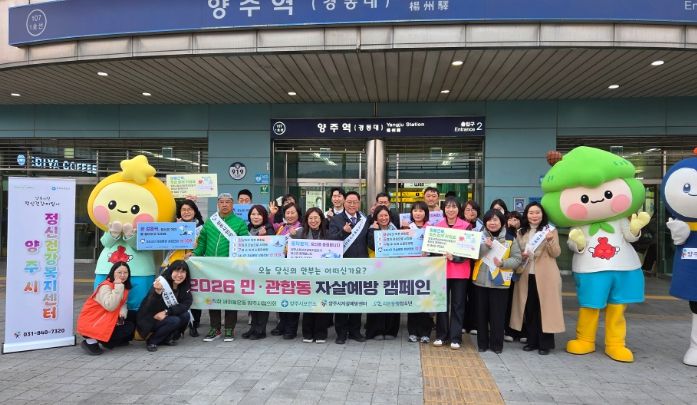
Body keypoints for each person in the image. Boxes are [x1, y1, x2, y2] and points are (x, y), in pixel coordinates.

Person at [189, 192, 249, 342]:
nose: (224, 204)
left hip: (230, 268)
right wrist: (194, 253)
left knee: (230, 298)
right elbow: (202, 242)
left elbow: (245, 245)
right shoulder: (210, 222)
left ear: (232, 204)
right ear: (218, 204)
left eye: (227, 202)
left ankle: (229, 328)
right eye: (221, 202)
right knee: (213, 297)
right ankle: (214, 328)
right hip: (211, 268)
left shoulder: (239, 223)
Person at [510, 202, 565, 355]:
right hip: (526, 274)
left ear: (542, 214)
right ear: (526, 215)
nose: (534, 216)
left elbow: (556, 253)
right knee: (529, 308)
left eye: (537, 212)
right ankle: (532, 341)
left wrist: (550, 240)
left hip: (547, 275)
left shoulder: (550, 231)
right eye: (531, 213)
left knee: (545, 309)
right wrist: (522, 255)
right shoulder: (521, 232)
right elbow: (517, 253)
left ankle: (545, 344)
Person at [472, 210, 522, 353]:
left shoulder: (510, 238)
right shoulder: (478, 236)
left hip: (500, 282)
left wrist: (503, 263)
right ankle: (482, 344)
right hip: (480, 282)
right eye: (489, 220)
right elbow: (472, 256)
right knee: (481, 315)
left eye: (495, 220)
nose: (492, 223)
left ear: (502, 222)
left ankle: (496, 345)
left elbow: (517, 259)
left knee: (498, 316)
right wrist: (485, 247)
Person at [328, 191, 368, 344]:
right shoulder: (336, 219)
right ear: (344, 203)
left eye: (355, 202)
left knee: (357, 300)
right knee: (342, 300)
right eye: (349, 202)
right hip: (342, 266)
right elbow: (331, 240)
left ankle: (355, 331)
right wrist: (343, 233)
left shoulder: (364, 219)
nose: (352, 205)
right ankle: (341, 333)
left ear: (359, 203)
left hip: (360, 266)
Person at [160, 199, 204, 337]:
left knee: (192, 294)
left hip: (192, 264)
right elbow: (164, 244)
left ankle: (194, 324)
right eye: (183, 210)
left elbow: (203, 245)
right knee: (172, 294)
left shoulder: (202, 228)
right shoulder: (173, 226)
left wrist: (194, 251)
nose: (186, 212)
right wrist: (176, 230)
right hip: (172, 264)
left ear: (195, 211)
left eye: (189, 209)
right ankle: (174, 325)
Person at [433, 196, 472, 350]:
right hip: (441, 271)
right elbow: (433, 250)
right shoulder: (438, 226)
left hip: (460, 272)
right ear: (444, 209)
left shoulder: (466, 226)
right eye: (448, 206)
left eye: (454, 206)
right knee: (442, 304)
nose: (450, 209)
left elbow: (469, 251)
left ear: (458, 209)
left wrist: (454, 257)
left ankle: (455, 337)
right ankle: (441, 335)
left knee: (458, 305)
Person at [290, 207, 332, 343]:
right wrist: (291, 236)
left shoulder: (328, 234)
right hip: (305, 275)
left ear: (321, 219)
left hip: (323, 275)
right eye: (311, 218)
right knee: (308, 304)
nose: (313, 221)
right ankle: (307, 333)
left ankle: (321, 334)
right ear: (306, 220)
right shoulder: (299, 233)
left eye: (316, 218)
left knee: (321, 304)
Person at [77, 261, 134, 355]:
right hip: (94, 321)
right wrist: (118, 287)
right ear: (113, 273)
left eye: (125, 272)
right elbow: (110, 306)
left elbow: (123, 303)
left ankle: (106, 340)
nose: (123, 275)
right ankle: (92, 340)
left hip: (105, 319)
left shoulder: (123, 287)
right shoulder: (106, 286)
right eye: (119, 272)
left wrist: (122, 313)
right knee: (96, 351)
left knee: (130, 323)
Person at [136, 260, 193, 352]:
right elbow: (149, 305)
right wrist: (157, 293)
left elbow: (186, 304)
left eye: (183, 272)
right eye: (177, 271)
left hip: (166, 315)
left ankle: (168, 338)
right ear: (171, 271)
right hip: (151, 318)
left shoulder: (184, 285)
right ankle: (152, 341)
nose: (179, 275)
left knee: (185, 315)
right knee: (174, 320)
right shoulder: (161, 283)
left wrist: (167, 312)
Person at [366, 205, 401, 340]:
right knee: (377, 299)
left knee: (392, 298)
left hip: (393, 269)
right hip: (376, 270)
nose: (383, 218)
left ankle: (391, 330)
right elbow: (372, 246)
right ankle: (376, 331)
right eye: (380, 215)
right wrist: (374, 231)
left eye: (386, 215)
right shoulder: (370, 229)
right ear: (376, 217)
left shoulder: (396, 230)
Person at [241, 204, 276, 340]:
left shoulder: (268, 229)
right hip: (250, 270)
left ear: (264, 216)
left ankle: (261, 330)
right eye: (253, 214)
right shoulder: (247, 228)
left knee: (261, 300)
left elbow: (273, 250)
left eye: (259, 214)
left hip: (263, 271)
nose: (255, 217)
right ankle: (253, 328)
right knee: (253, 301)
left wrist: (263, 237)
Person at [402, 201, 434, 343]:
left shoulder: (431, 228)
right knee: (413, 301)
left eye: (421, 211)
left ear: (425, 213)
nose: (418, 213)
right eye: (415, 210)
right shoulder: (406, 228)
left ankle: (425, 332)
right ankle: (413, 332)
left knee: (426, 301)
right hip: (411, 269)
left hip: (428, 269)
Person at [271, 202, 302, 339]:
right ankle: (282, 324)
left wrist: (296, 236)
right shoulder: (282, 227)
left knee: (293, 298)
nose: (290, 215)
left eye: (292, 212)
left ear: (298, 214)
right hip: (281, 267)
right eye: (287, 213)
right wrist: (272, 214)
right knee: (282, 297)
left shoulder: (301, 228)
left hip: (294, 269)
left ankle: (291, 329)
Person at [462, 200, 482, 336]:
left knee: (475, 296)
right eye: (468, 209)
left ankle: (475, 324)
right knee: (462, 296)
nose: (471, 212)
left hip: (477, 265)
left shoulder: (483, 225)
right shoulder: (459, 225)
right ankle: (463, 324)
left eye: (473, 209)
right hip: (462, 265)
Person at [504, 210, 524, 342]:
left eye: (516, 219)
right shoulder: (505, 234)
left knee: (521, 303)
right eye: (510, 219)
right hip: (507, 273)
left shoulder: (524, 233)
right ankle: (508, 330)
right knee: (508, 303)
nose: (513, 222)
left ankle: (522, 331)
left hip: (521, 273)